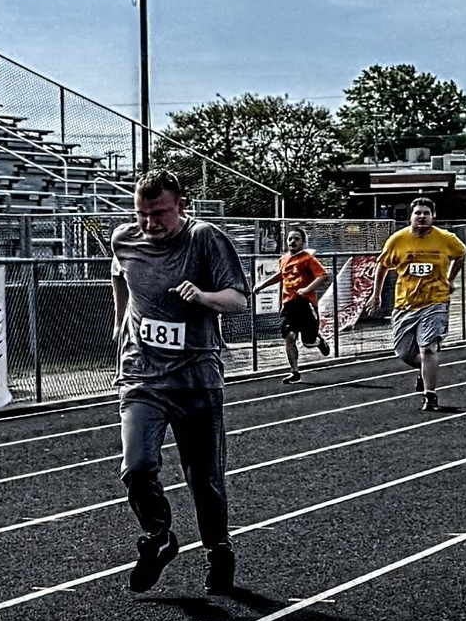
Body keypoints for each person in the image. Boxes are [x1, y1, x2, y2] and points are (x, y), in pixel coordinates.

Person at [111, 169, 249, 594]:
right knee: (136, 467)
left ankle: (218, 552)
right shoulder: (124, 239)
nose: (150, 224)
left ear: (181, 207)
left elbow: (238, 298)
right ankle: (158, 535)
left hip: (196, 380)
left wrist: (205, 297)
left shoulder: (205, 238)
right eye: (142, 214)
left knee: (204, 478)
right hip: (142, 377)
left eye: (160, 214)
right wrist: (120, 321)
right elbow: (118, 273)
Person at [367, 196, 466, 412]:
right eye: (418, 213)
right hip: (405, 304)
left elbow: (461, 255)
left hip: (435, 301)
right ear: (410, 216)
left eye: (426, 213)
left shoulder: (446, 239)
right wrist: (376, 295)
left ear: (433, 217)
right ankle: (424, 371)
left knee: (428, 348)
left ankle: (430, 395)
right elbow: (382, 267)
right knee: (404, 353)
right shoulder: (397, 240)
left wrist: (450, 280)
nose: (422, 217)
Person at [252, 227, 331, 384]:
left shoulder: (308, 258)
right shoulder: (284, 258)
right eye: (290, 239)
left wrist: (307, 289)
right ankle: (294, 371)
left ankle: (319, 341)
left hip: (306, 303)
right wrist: (262, 285)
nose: (293, 242)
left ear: (303, 242)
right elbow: (281, 275)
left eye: (296, 239)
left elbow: (323, 276)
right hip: (288, 303)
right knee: (289, 336)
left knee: (308, 342)